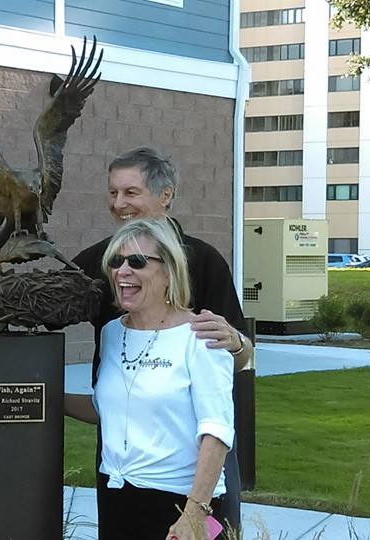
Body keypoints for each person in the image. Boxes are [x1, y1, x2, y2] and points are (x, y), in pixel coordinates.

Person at [0, 146, 252, 529]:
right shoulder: (99, 275)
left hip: (187, 483)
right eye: (113, 193)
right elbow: (36, 308)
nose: (119, 203)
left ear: (165, 195)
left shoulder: (203, 265)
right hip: (119, 479)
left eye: (131, 192)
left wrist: (237, 344)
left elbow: (229, 382)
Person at [65, 217, 235, 539]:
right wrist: (47, 399)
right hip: (118, 499)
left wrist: (195, 513)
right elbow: (112, 409)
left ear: (169, 272)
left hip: (179, 505)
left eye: (138, 261)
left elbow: (217, 431)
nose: (123, 271)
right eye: (116, 262)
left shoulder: (200, 335)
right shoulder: (112, 333)